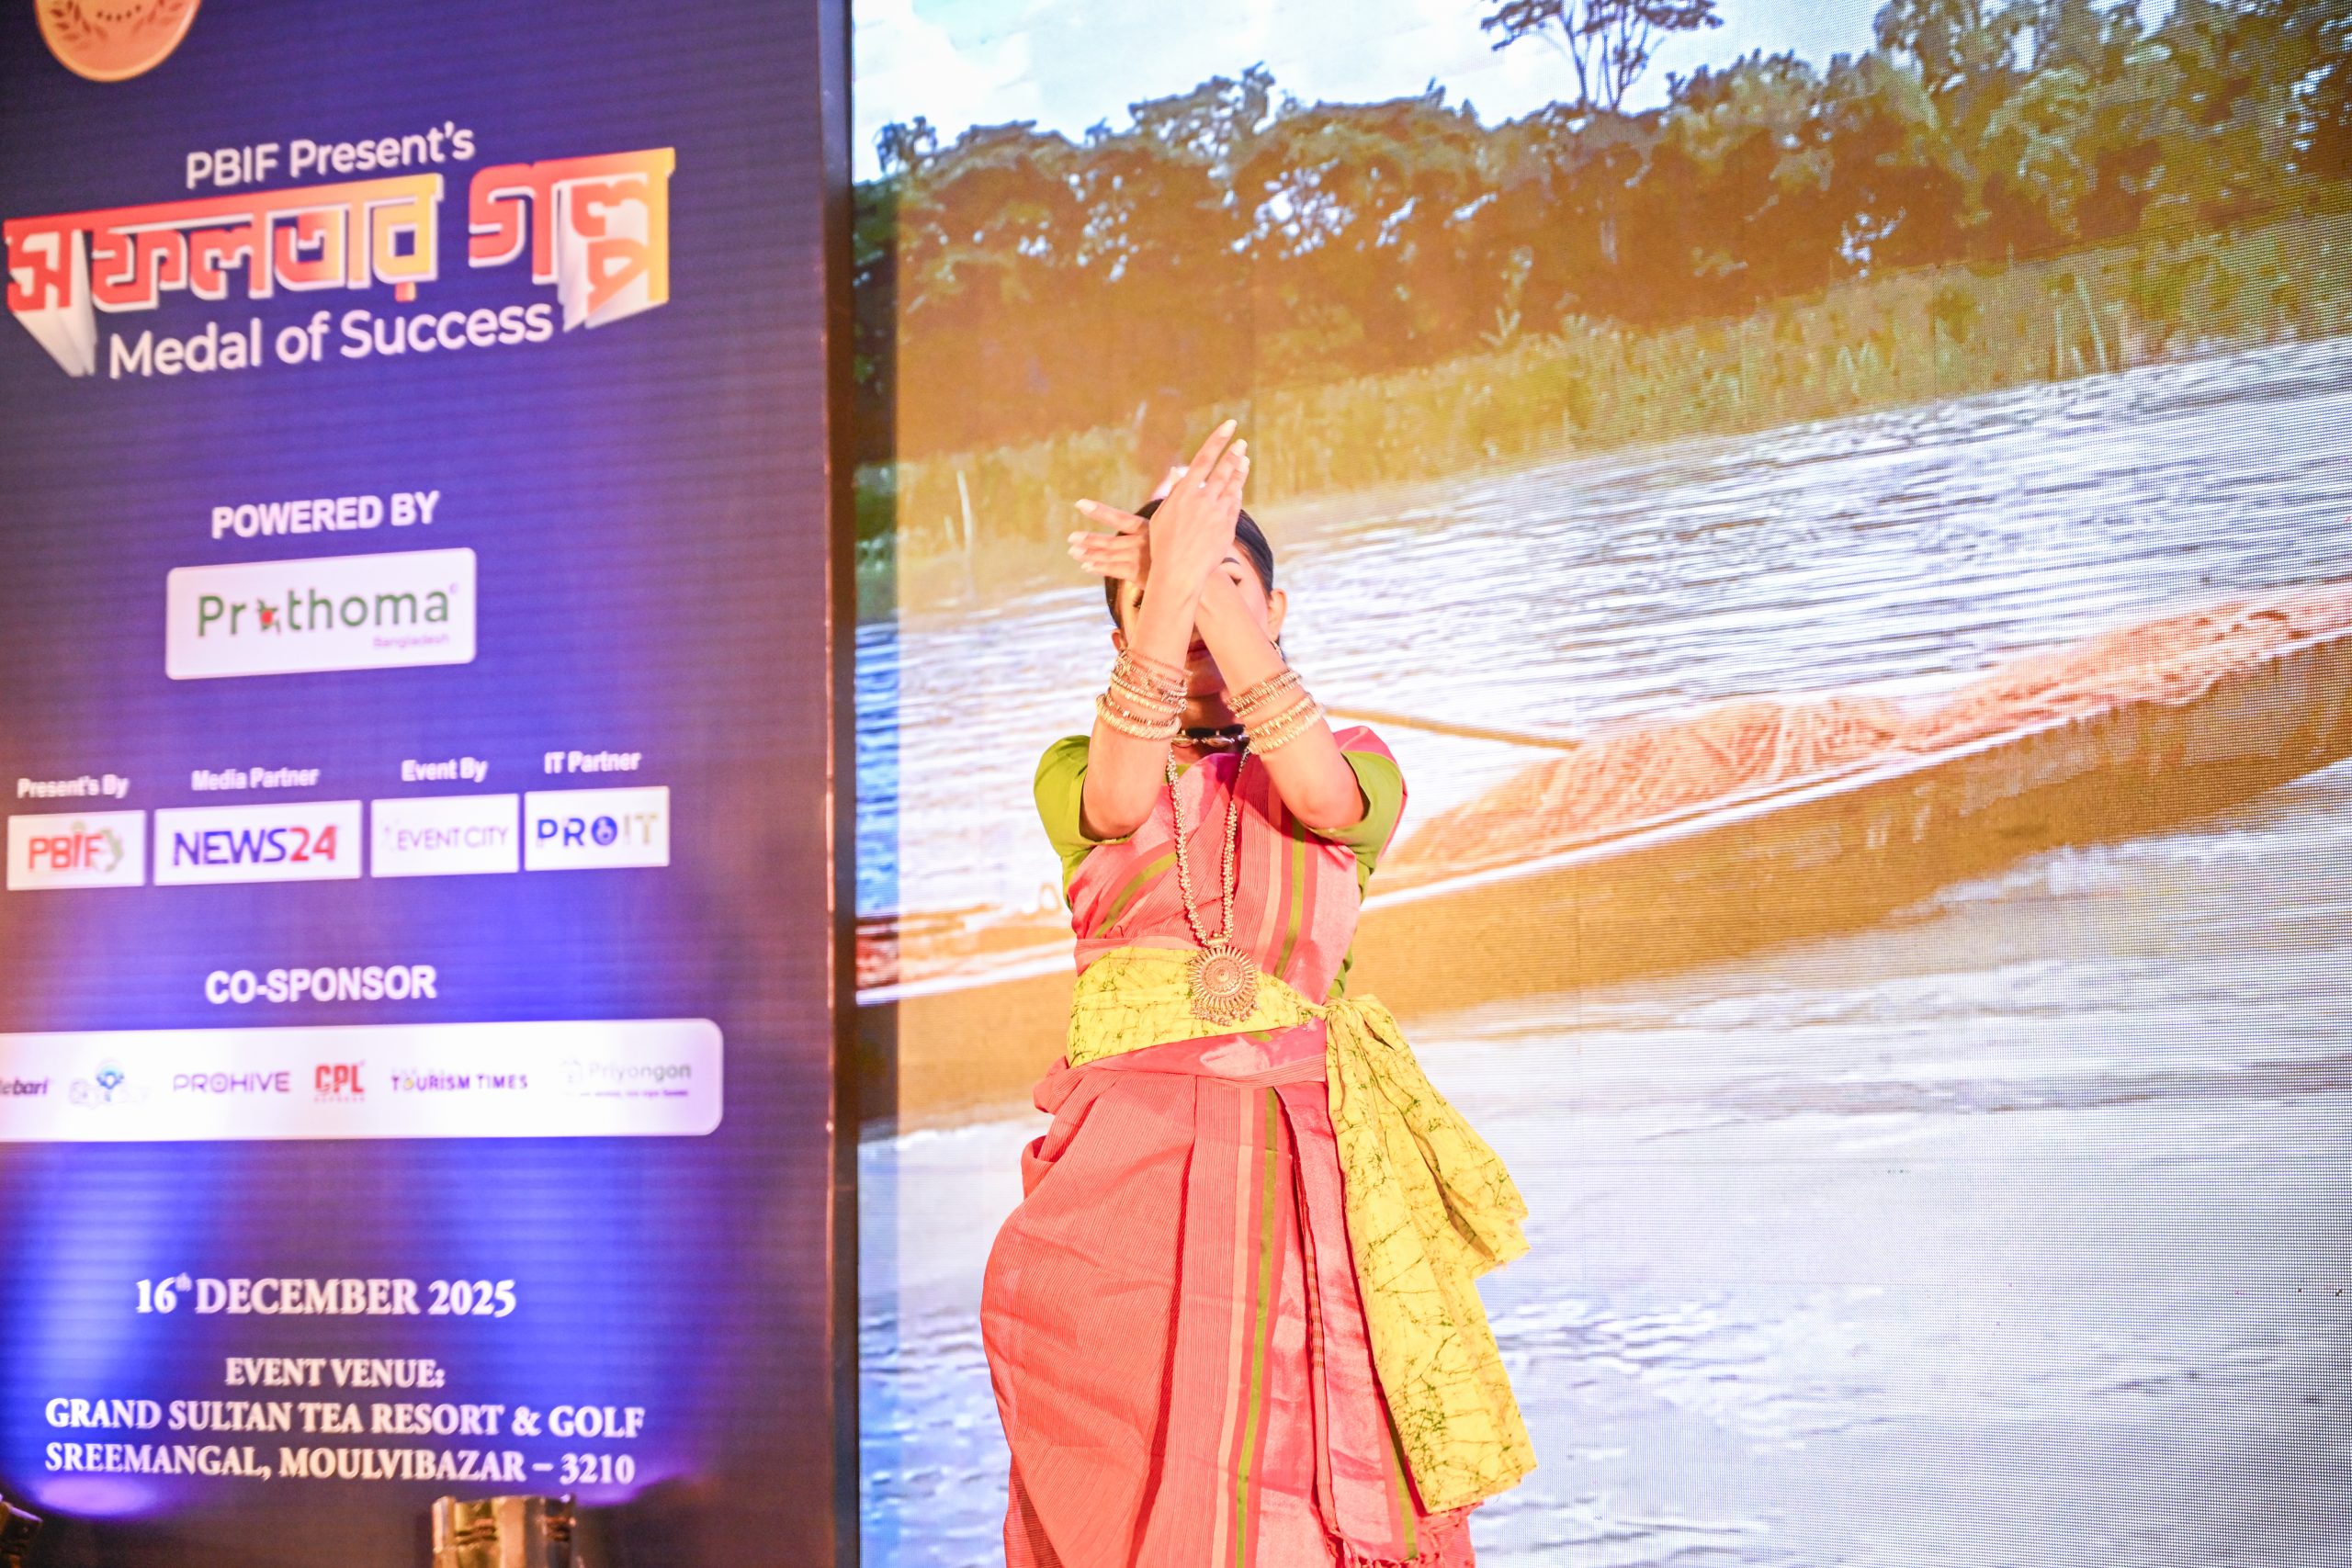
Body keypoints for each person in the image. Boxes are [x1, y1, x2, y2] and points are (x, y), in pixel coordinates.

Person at [978, 420, 1535, 1565]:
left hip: (1305, 1175)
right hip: (1124, 1196)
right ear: (1124, 637)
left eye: (1232, 590)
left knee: (1309, 1470)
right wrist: (1180, 575)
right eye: (1158, 608)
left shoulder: (1358, 763)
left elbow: (1322, 801)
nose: (1194, 620)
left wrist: (1191, 568)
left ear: (1276, 611)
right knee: (1136, 1475)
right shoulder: (1075, 770)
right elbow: (1120, 805)